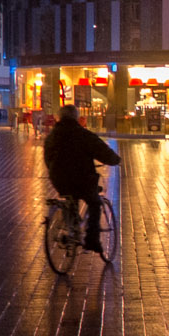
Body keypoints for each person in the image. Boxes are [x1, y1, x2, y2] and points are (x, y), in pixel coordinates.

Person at [43, 104, 122, 252]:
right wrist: (115, 160)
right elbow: (101, 150)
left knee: (70, 197)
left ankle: (71, 227)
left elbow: (47, 158)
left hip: (59, 179)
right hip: (81, 179)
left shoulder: (52, 137)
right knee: (94, 203)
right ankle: (92, 240)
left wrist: (55, 171)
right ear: (76, 117)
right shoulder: (82, 134)